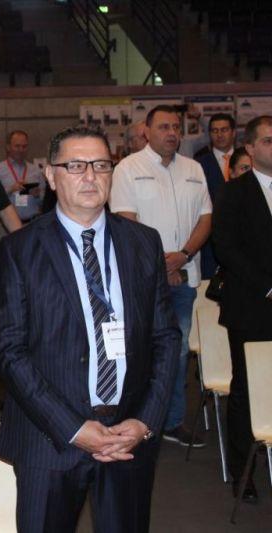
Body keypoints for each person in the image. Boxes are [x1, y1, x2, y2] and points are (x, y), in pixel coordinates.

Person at [0, 126, 179, 532]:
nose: (90, 176)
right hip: (49, 438)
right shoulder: (20, 250)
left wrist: (145, 421)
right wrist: (73, 428)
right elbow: (9, 352)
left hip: (128, 435)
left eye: (101, 165)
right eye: (75, 166)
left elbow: (165, 338)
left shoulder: (143, 243)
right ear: (51, 175)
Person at [110, 104, 212, 448]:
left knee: (178, 353)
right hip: (144, 280)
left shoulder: (194, 169)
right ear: (146, 131)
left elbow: (206, 219)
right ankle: (138, 422)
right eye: (164, 127)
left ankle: (172, 421)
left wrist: (183, 256)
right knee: (139, 352)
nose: (172, 133)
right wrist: (162, 267)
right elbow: (126, 222)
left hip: (185, 275)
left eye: (176, 127)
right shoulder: (128, 168)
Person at [212, 115, 272, 503]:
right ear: (250, 147)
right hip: (252, 305)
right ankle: (243, 473)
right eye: (268, 141)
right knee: (247, 391)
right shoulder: (234, 193)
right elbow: (226, 247)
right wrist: (268, 285)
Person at [195, 113, 237, 278]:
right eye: (215, 131)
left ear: (233, 132)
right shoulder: (198, 164)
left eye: (224, 130)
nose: (219, 135)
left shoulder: (248, 159)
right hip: (211, 239)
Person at [0, 130, 45, 223]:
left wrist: (38, 195)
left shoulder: (35, 170)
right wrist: (10, 189)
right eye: (17, 146)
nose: (21, 150)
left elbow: (44, 200)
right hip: (6, 225)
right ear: (8, 147)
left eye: (24, 146)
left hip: (32, 223)